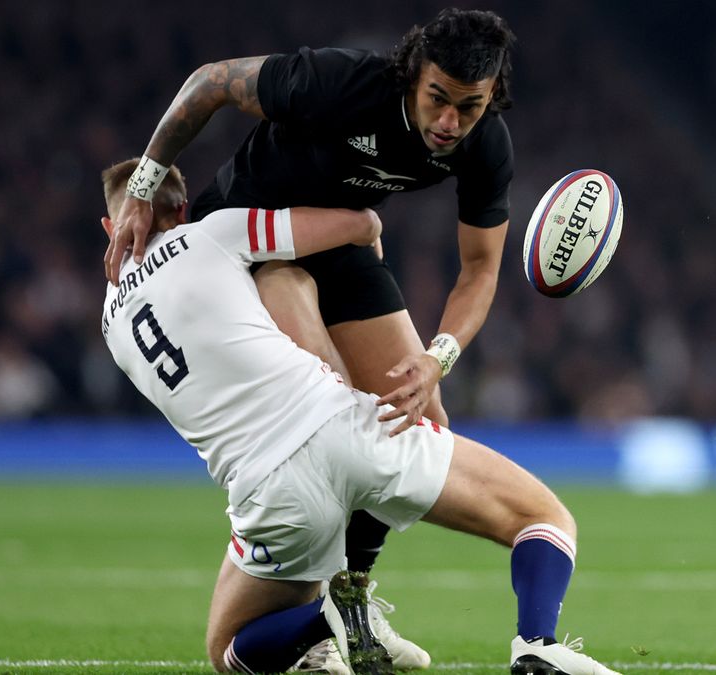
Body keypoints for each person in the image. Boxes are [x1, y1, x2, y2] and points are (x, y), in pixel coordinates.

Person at [98, 159, 621, 675]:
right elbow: (357, 223)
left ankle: (329, 618)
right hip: (348, 427)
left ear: (110, 227)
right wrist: (359, 241)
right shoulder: (209, 234)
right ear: (182, 208)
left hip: (266, 489)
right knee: (542, 519)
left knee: (229, 647)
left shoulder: (110, 322)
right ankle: (537, 644)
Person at [106, 10, 517, 664]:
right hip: (254, 240)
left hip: (341, 243)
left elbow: (481, 268)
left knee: (416, 419)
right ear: (414, 75)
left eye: (468, 107)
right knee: (328, 398)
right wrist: (144, 186)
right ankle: (307, 600)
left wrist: (439, 357)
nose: (448, 122)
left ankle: (347, 601)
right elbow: (211, 81)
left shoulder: (485, 144)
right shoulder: (340, 82)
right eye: (438, 99)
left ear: (490, 96)